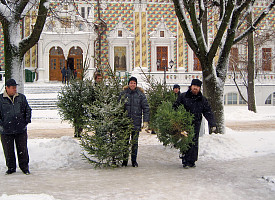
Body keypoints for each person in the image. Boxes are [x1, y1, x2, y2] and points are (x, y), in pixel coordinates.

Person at [173, 79, 216, 168]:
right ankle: (185, 160)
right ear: (191, 86)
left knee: (194, 141)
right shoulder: (183, 96)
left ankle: (192, 160)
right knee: (186, 140)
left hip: (196, 123)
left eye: (197, 87)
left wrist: (212, 123)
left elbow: (207, 111)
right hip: (185, 123)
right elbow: (175, 107)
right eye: (194, 86)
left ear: (199, 88)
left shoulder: (202, 99)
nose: (195, 88)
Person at [0, 79, 32, 175]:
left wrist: (26, 121)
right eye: (13, 87)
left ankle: (24, 167)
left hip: (20, 129)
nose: (15, 89)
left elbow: (28, 110)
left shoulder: (21, 98)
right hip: (6, 131)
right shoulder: (0, 99)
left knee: (22, 149)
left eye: (15, 87)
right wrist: (2, 124)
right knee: (8, 150)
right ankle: (11, 167)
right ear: (7, 88)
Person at [119, 77, 150, 167]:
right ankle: (124, 161)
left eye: (134, 83)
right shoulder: (123, 94)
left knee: (134, 142)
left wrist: (146, 121)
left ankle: (134, 160)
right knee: (125, 142)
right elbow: (118, 107)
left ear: (136, 84)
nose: (132, 84)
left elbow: (146, 108)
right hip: (125, 121)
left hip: (136, 122)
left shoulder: (140, 95)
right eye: (131, 83)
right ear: (128, 84)